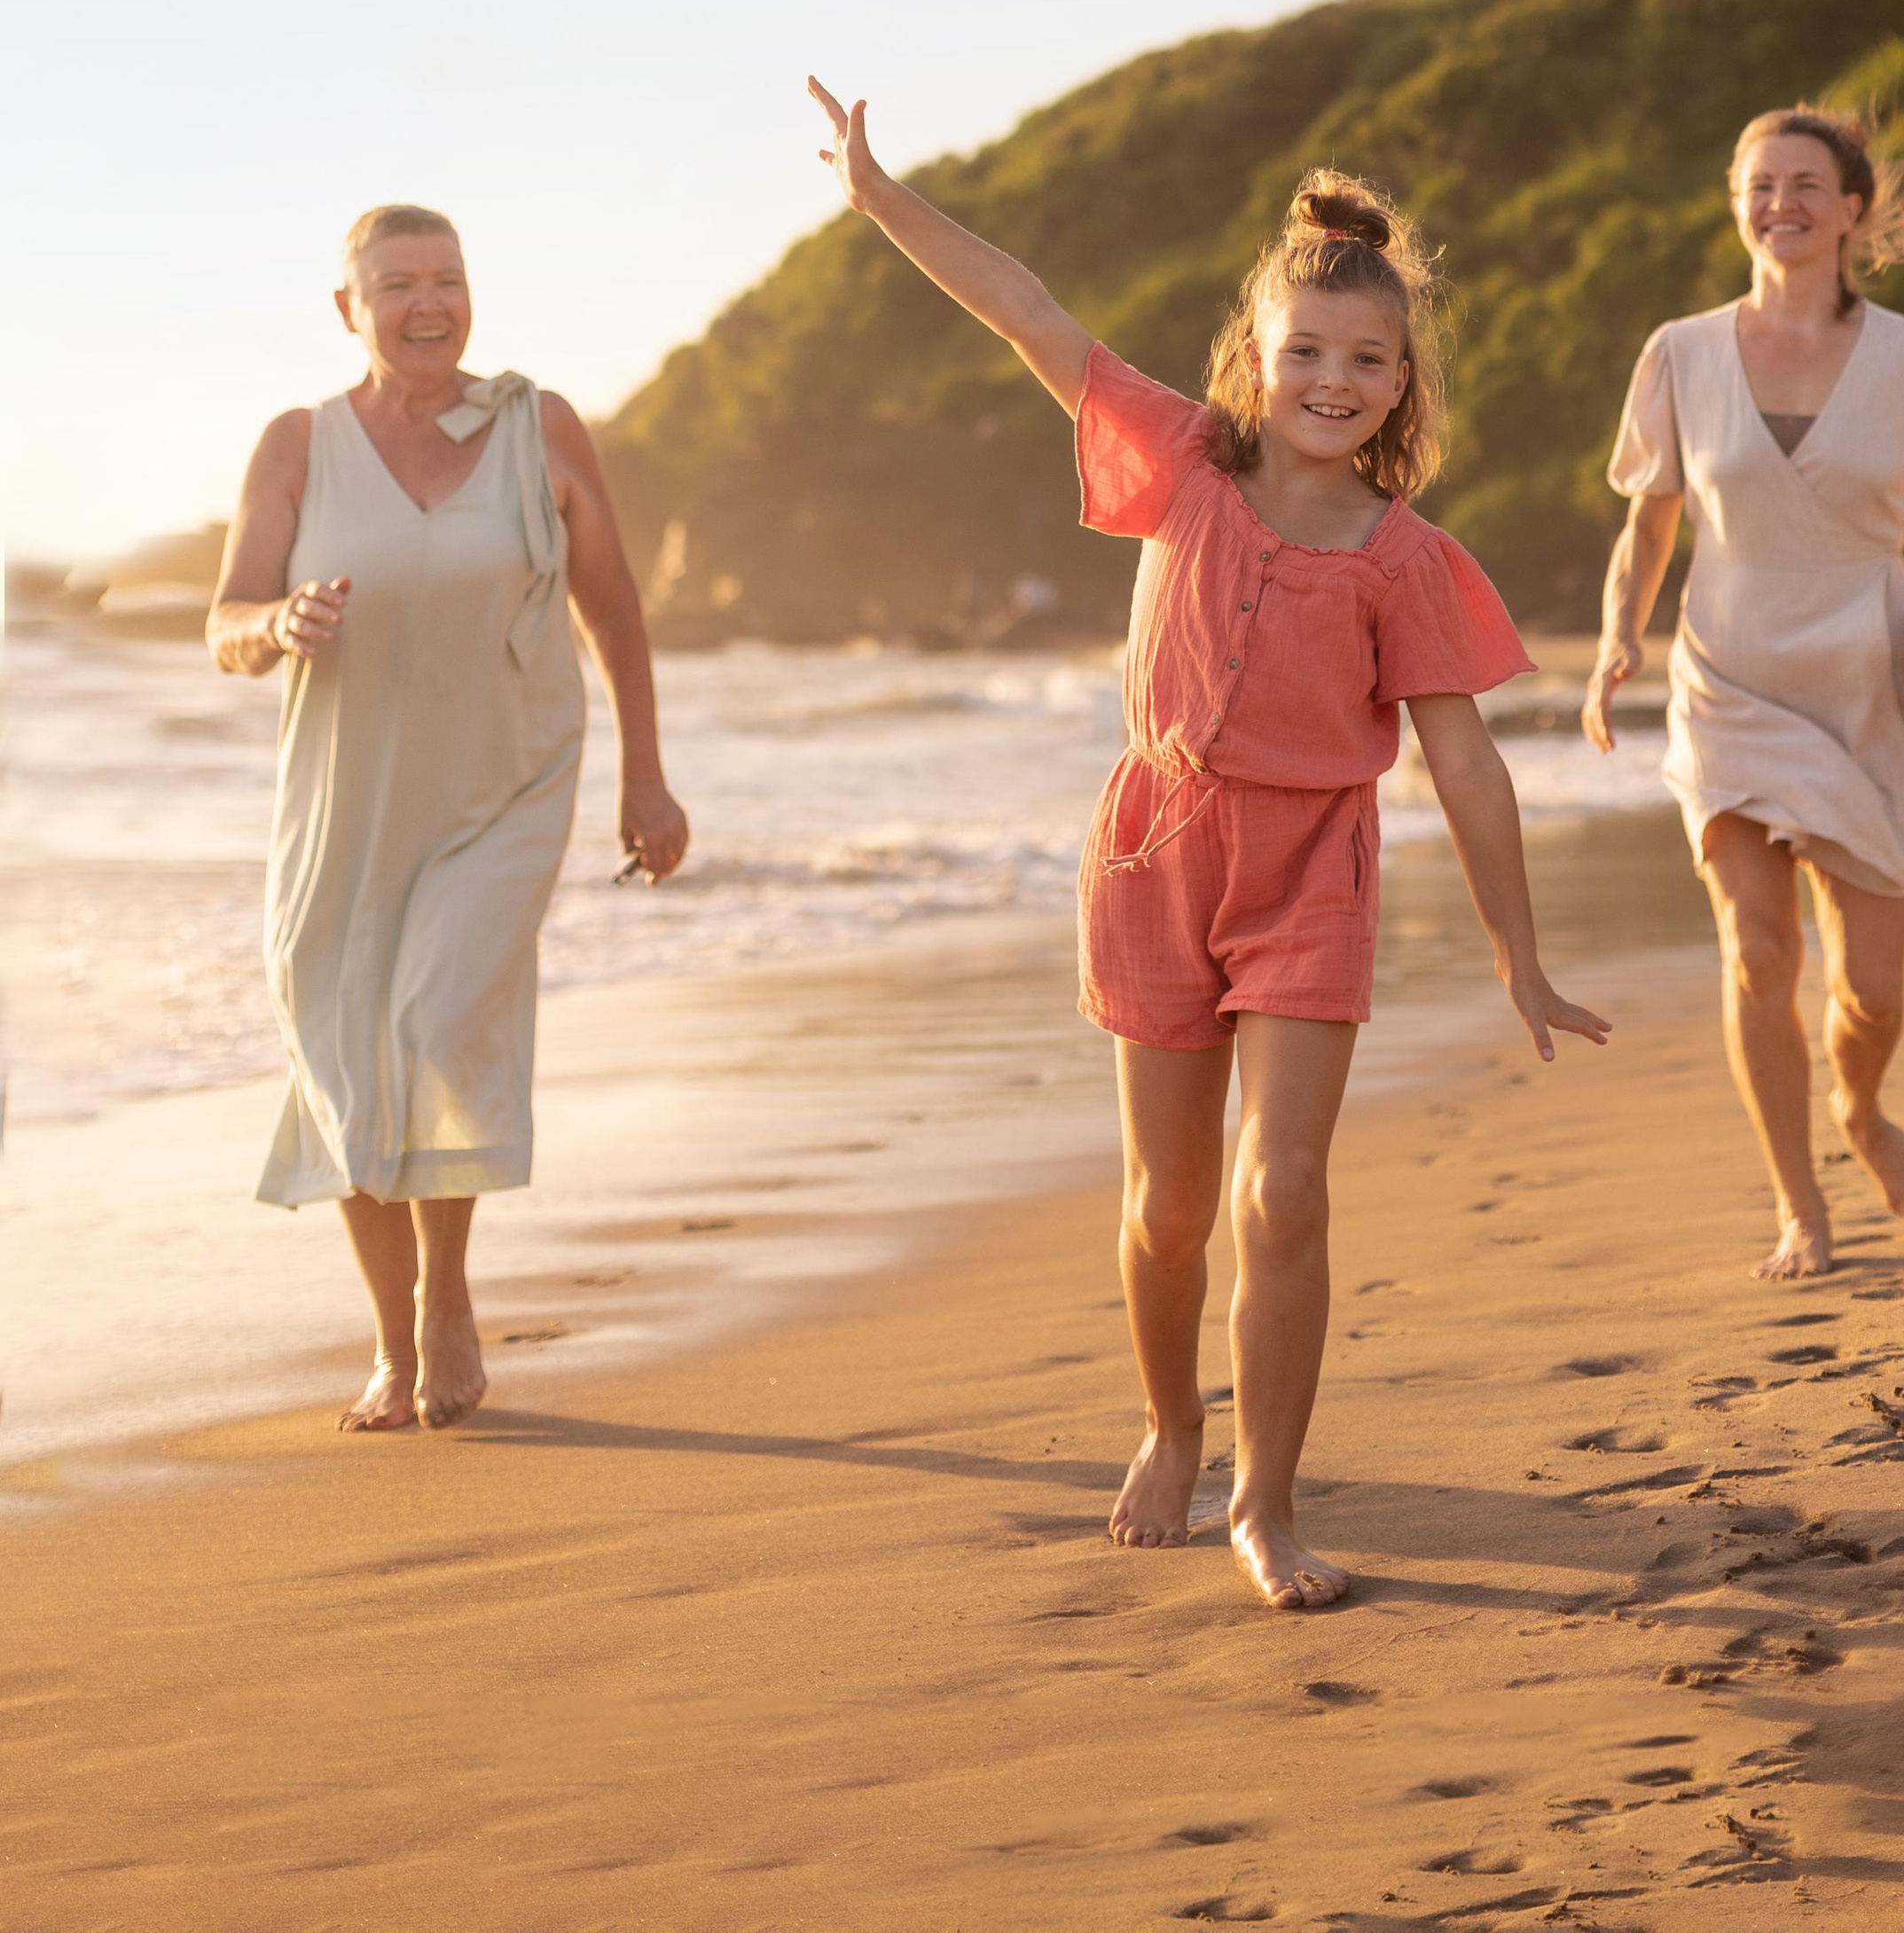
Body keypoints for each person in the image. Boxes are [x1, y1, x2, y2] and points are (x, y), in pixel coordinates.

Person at [808, 82, 1609, 1611]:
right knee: (1168, 1209)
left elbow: (1468, 767)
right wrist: (880, 201)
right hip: (1155, 858)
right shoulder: (1179, 461)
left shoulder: (1410, 561)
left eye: (1369, 360)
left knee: (1282, 1191)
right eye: (1306, 351)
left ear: (1403, 384)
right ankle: (1173, 1422)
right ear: (1256, 359)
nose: (1334, 380)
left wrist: (1520, 955)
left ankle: (1269, 1499)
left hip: (1312, 871)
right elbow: (1027, 311)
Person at [209, 204, 689, 1430]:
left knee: (429, 1019)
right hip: (344, 809)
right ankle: (391, 1341)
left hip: (505, 786)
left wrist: (646, 776)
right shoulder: (297, 447)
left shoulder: (543, 427)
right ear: (348, 308)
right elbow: (226, 623)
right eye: (398, 283)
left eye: (448, 279)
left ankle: (448, 1301)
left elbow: (614, 606)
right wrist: (278, 625)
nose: (429, 303)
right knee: (346, 1061)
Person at [1583, 108, 1904, 1282]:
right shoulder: (1680, 353)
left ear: (1851, 209)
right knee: (1759, 958)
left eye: (1807, 184)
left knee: (1872, 988)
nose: (1782, 204)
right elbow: (1650, 519)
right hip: (1731, 672)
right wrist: (1617, 639)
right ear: (1737, 201)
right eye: (1761, 185)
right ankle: (1798, 1206)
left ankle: (1859, 1110)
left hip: (1867, 670)